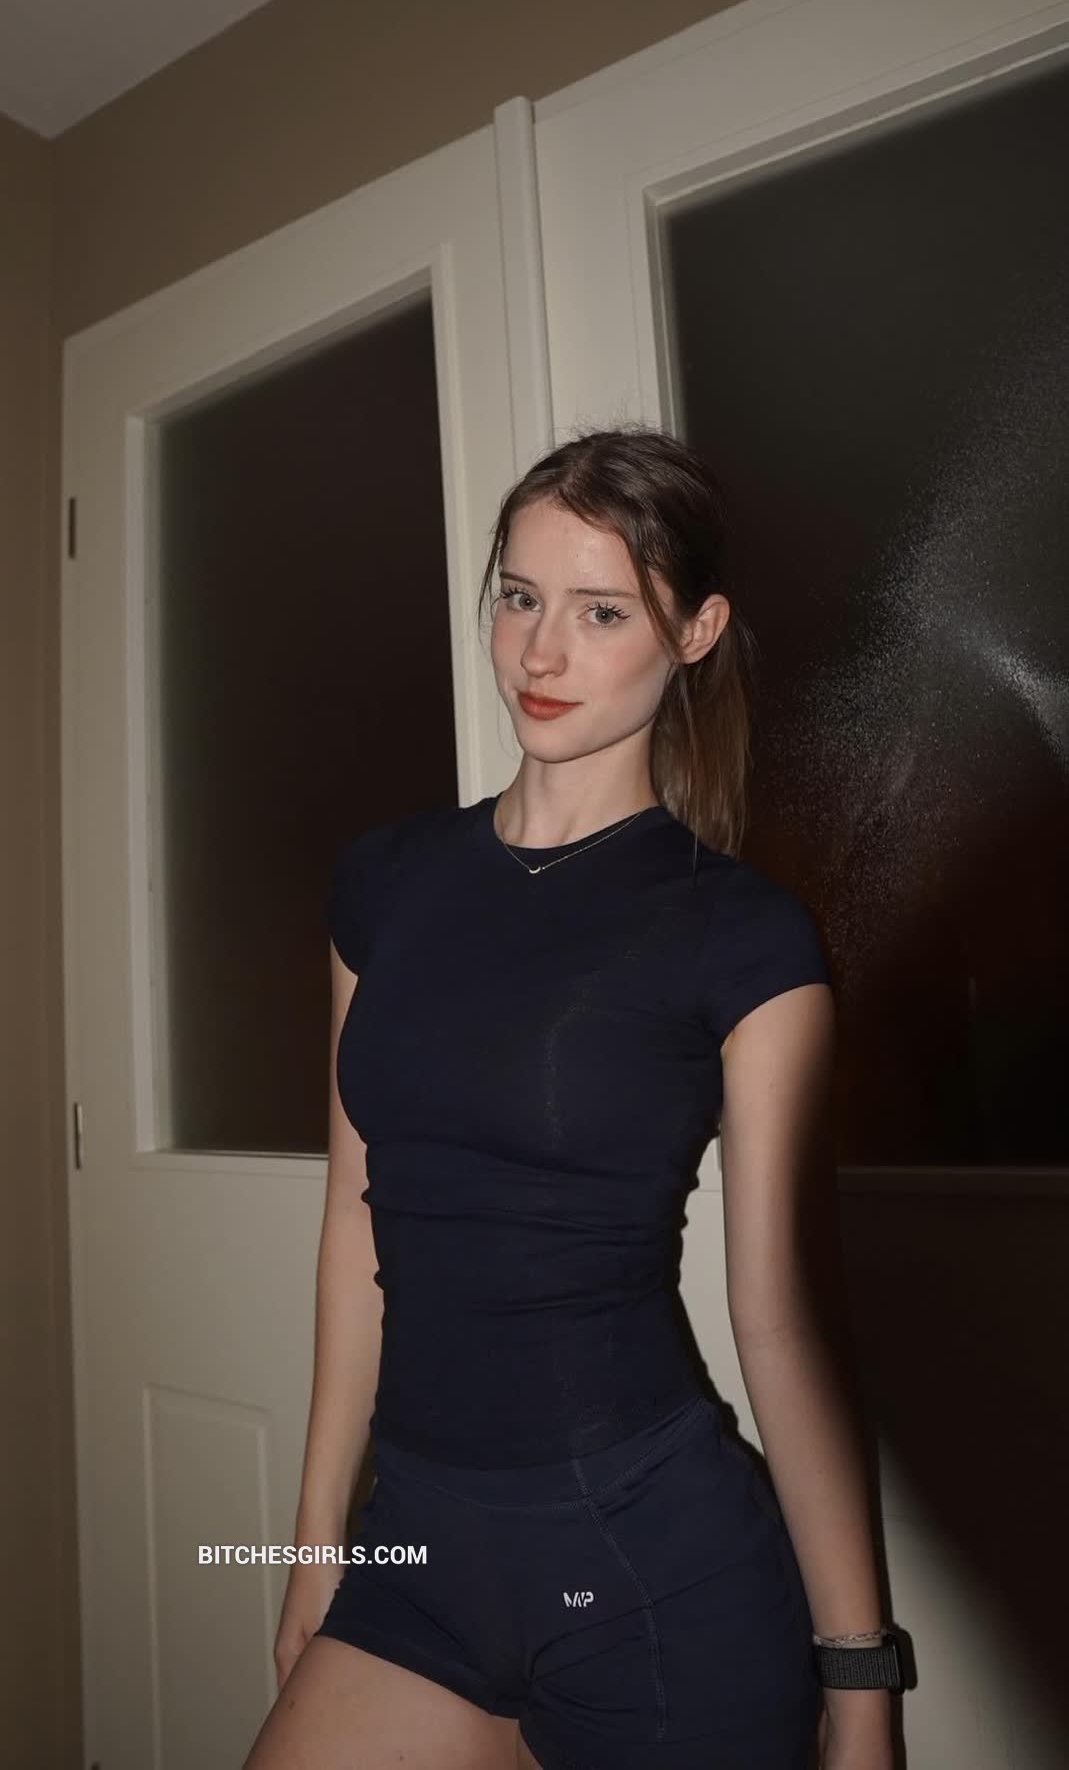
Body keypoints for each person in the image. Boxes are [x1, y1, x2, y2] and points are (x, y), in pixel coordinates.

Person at [241, 428, 897, 1770]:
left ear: (695, 632)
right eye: (520, 597)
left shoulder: (740, 935)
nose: (540, 653)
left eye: (601, 612)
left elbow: (780, 1319)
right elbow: (355, 1223)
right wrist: (314, 1541)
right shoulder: (383, 885)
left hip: (650, 1564)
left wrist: (862, 1679)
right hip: (417, 1551)